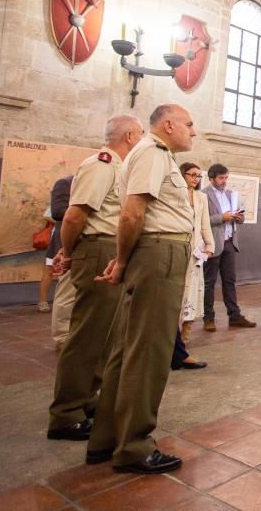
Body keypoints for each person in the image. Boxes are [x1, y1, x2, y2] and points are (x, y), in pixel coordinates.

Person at [85, 104, 196, 474]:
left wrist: (122, 259)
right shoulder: (153, 153)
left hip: (154, 251)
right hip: (159, 251)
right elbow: (133, 212)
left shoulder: (152, 153)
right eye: (189, 125)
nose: (193, 132)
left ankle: (106, 439)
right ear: (168, 125)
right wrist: (120, 259)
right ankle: (133, 446)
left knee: (127, 349)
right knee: (149, 351)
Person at [46, 114, 143, 442]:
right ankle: (66, 412)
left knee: (106, 333)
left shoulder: (117, 167)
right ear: (129, 136)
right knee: (88, 334)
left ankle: (87, 398)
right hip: (97, 249)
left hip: (108, 248)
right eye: (140, 135)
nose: (141, 141)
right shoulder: (101, 164)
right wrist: (69, 252)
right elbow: (74, 216)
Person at [202, 164, 255, 331]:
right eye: (220, 178)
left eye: (226, 178)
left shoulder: (232, 194)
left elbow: (241, 217)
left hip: (230, 241)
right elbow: (202, 220)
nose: (224, 181)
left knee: (230, 280)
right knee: (209, 282)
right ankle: (208, 318)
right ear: (211, 178)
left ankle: (234, 316)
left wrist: (239, 217)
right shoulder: (203, 195)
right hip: (213, 243)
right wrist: (222, 217)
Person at [178, 162, 214, 346]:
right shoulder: (176, 193)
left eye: (199, 176)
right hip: (179, 246)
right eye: (192, 175)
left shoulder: (201, 197)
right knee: (179, 293)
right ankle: (173, 339)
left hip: (196, 251)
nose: (195, 179)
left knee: (192, 293)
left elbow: (205, 223)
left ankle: (184, 340)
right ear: (182, 174)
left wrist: (210, 244)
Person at [48, 176, 76, 346]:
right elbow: (57, 211)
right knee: (67, 291)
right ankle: (62, 337)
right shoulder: (64, 183)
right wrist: (83, 210)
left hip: (92, 244)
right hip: (68, 243)